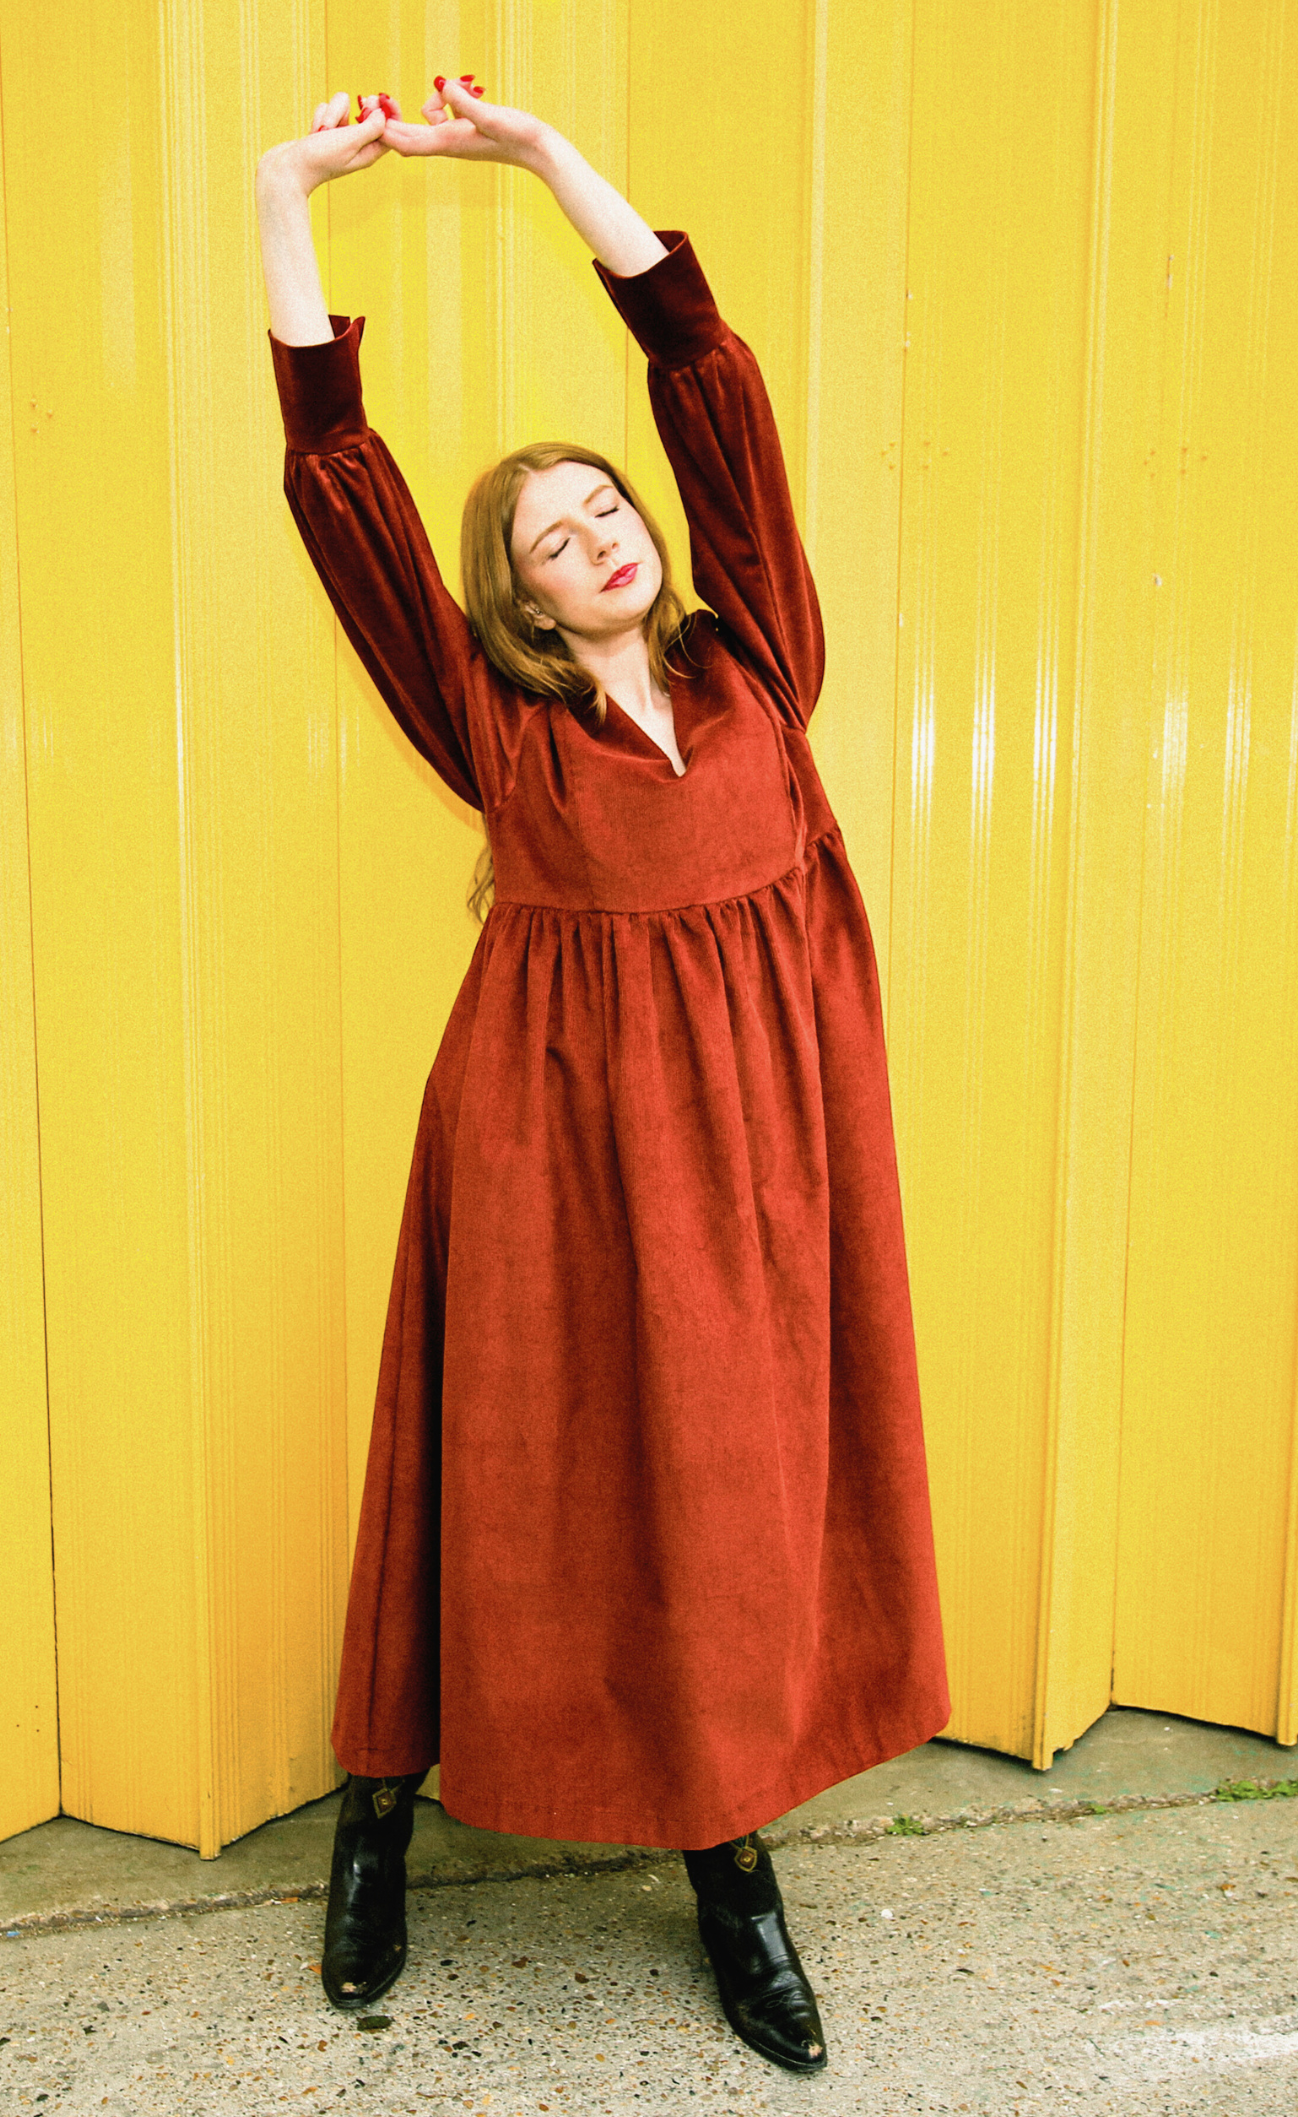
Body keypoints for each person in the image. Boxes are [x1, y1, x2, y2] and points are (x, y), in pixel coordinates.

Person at [254, 76, 951, 2077]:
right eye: (555, 539)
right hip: (548, 1150)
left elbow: (706, 378)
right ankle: (377, 1822)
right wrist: (285, 197)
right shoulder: (497, 731)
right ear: (520, 600)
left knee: (722, 1496)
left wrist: (550, 160)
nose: (602, 540)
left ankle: (728, 1863)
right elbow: (339, 481)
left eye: (611, 509)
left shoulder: (764, 663)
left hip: (761, 1159)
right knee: (495, 1482)